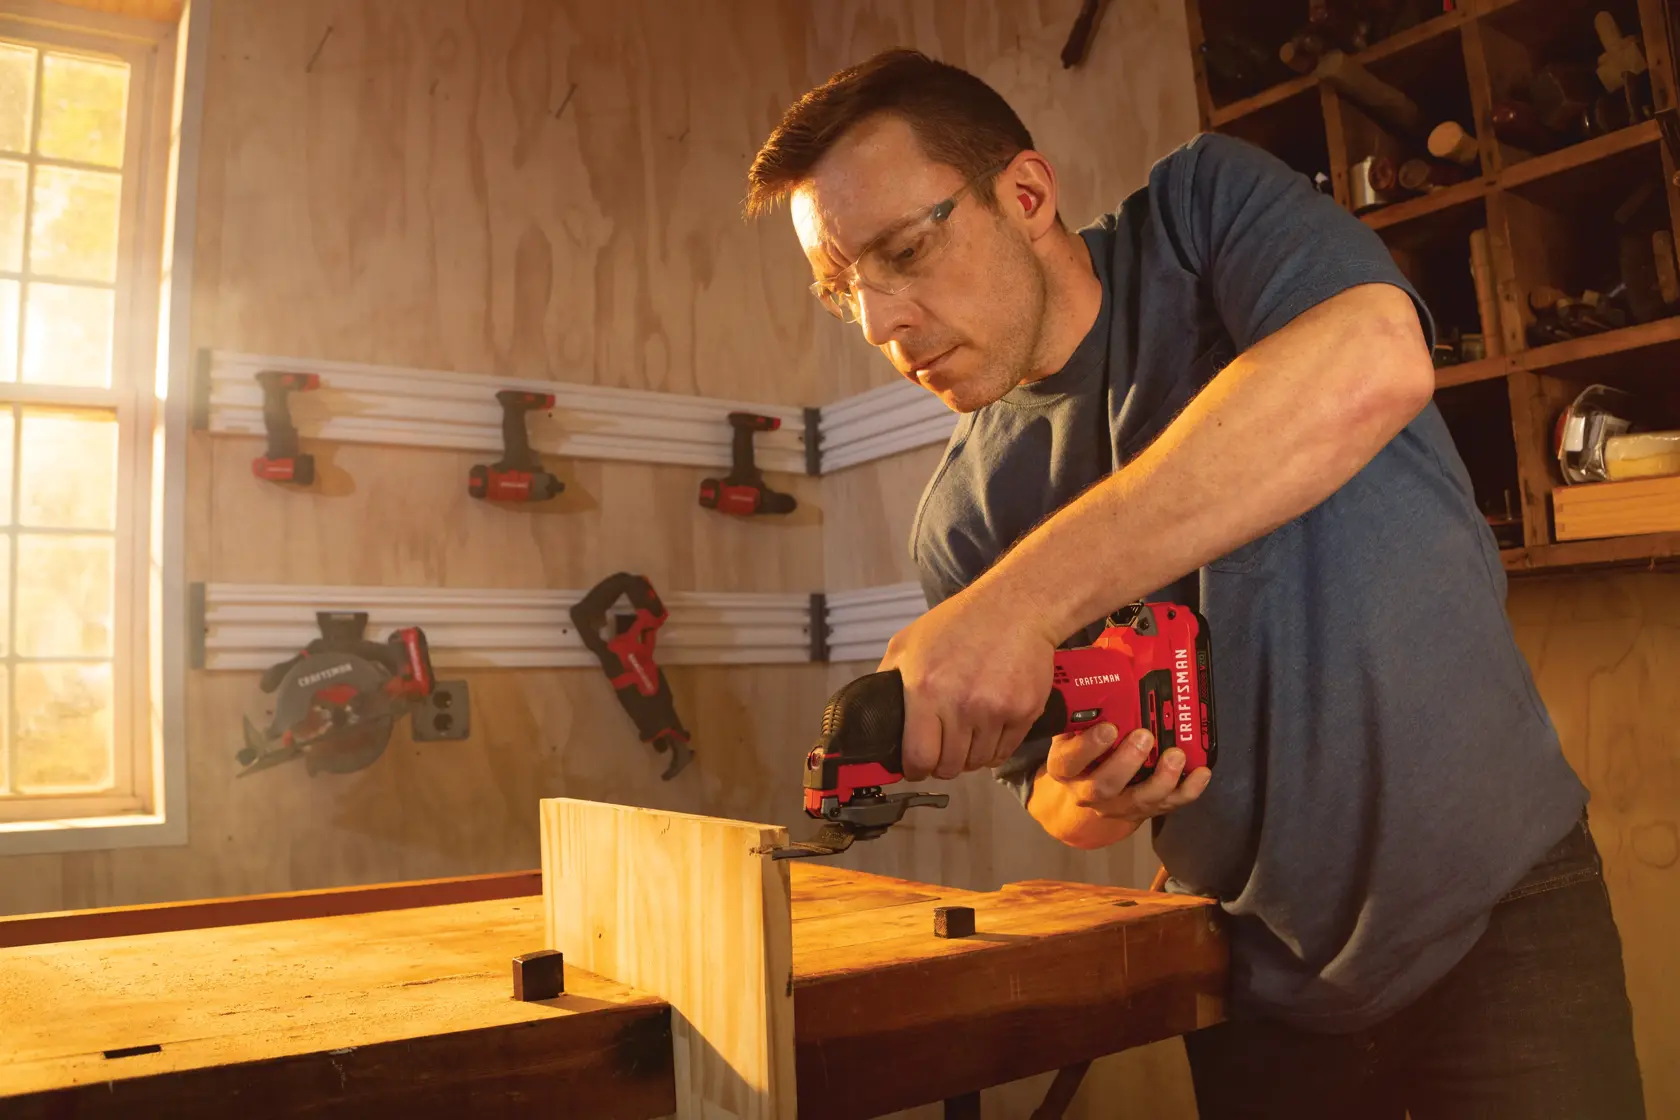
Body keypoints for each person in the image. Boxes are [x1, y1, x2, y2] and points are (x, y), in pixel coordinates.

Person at [744, 48, 1646, 1118]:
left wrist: (1017, 605)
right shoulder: (965, 516)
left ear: (1024, 195)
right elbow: (1051, 799)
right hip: (1250, 977)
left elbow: (1374, 359)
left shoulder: (1201, 213)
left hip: (1505, 911)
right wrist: (1089, 785)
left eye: (903, 251)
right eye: (845, 288)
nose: (881, 324)